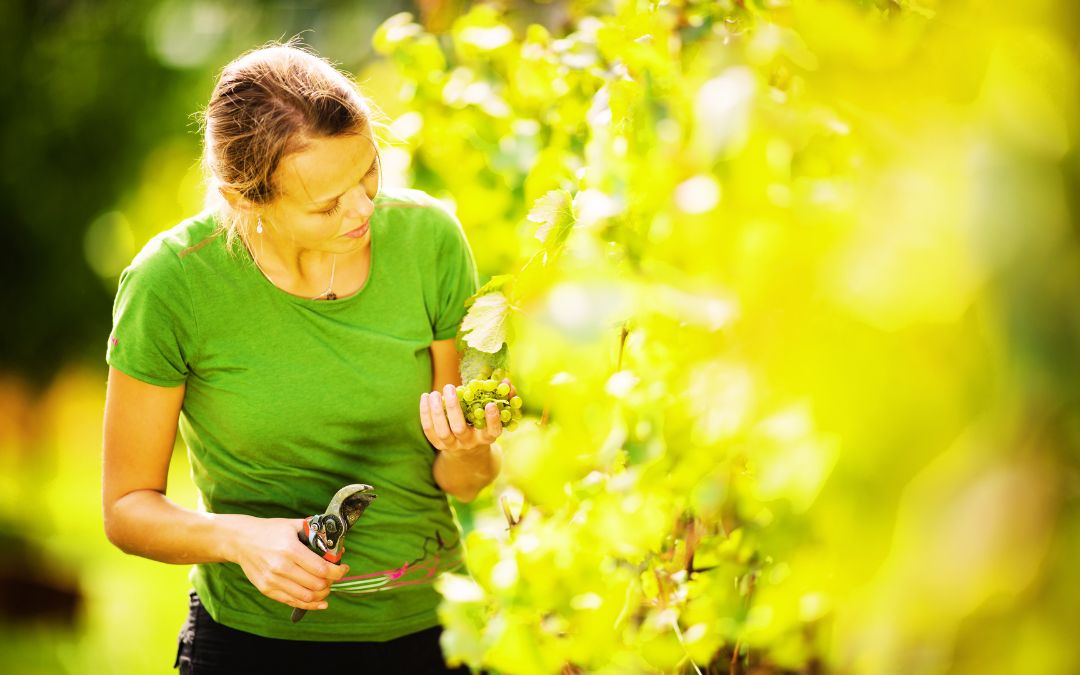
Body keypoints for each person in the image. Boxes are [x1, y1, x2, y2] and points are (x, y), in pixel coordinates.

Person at [101, 41, 506, 674]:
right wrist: (240, 539)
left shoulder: (430, 241)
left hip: (431, 635)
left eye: (369, 171)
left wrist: (469, 448)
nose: (364, 207)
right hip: (251, 648)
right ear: (246, 201)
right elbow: (126, 509)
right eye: (327, 205)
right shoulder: (173, 283)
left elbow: (467, 479)